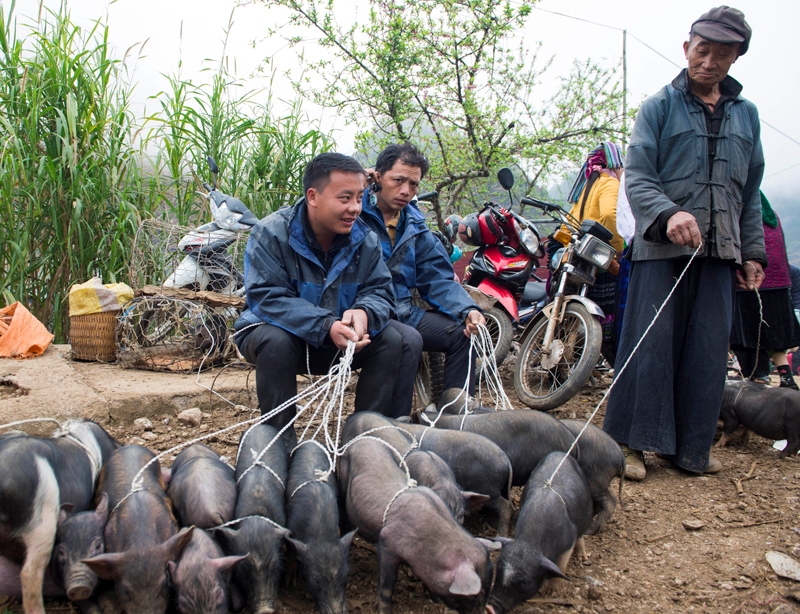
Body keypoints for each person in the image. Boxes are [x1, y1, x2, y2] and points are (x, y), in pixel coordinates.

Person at [602, 6, 765, 480]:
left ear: (735, 59)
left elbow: (748, 193)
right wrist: (669, 213)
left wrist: (752, 252)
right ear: (686, 48)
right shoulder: (658, 106)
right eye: (702, 50)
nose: (709, 62)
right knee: (649, 344)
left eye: (722, 54)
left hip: (718, 252)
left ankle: (689, 449)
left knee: (707, 351)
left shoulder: (747, 116)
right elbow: (639, 177)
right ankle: (630, 445)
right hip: (662, 248)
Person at [234, 152, 402, 442]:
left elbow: (381, 291)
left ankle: (366, 440)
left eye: (360, 198)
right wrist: (326, 326)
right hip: (286, 340)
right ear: (313, 196)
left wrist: (364, 313)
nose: (355, 209)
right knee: (276, 340)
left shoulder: (366, 239)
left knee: (399, 338)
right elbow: (266, 298)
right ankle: (279, 443)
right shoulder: (271, 233)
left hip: (340, 341)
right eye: (345, 198)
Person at [360, 142, 485, 417]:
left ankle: (455, 421)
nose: (406, 191)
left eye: (414, 184)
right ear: (377, 177)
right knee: (408, 340)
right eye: (398, 180)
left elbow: (438, 279)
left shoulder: (415, 226)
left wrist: (468, 310)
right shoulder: (352, 213)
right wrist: (357, 180)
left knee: (462, 334)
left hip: (402, 309)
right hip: (361, 309)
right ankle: (396, 424)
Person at [561, 141, 625, 366]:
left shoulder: (586, 187)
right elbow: (610, 216)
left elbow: (568, 224)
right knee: (607, 320)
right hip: (602, 259)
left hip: (579, 257)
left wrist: (561, 242)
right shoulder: (609, 183)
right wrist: (617, 250)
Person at [730, 193, 800, 389]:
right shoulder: (772, 215)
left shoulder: (738, 210)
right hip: (778, 283)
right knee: (776, 333)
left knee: (746, 335)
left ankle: (759, 377)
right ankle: (786, 377)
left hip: (747, 280)